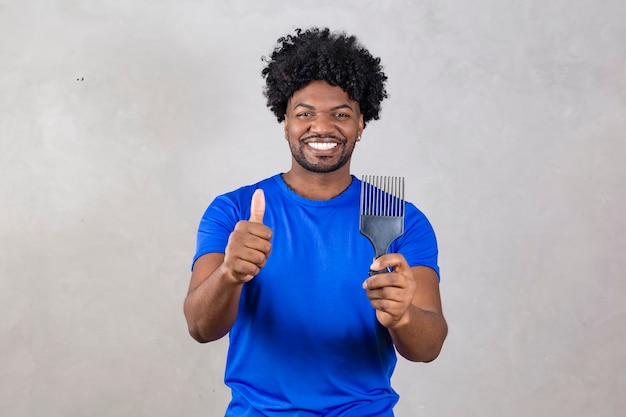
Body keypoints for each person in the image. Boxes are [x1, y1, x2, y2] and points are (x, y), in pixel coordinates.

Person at [184, 27, 447, 416]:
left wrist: (403, 315)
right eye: (305, 113)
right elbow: (200, 329)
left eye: (341, 114)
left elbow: (428, 348)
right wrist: (229, 274)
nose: (322, 127)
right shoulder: (233, 210)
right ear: (286, 122)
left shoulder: (400, 219)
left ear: (361, 124)